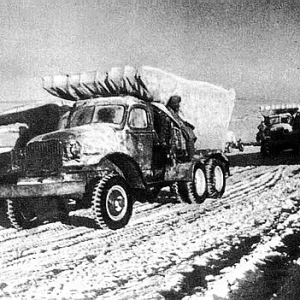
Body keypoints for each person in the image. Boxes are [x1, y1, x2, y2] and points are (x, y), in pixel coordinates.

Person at [166, 95, 197, 160]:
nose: (179, 105)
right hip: (176, 127)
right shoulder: (169, 111)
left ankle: (190, 152)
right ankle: (191, 155)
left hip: (179, 125)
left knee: (189, 131)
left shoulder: (173, 111)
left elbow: (179, 119)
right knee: (189, 134)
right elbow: (176, 120)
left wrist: (187, 123)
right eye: (177, 103)